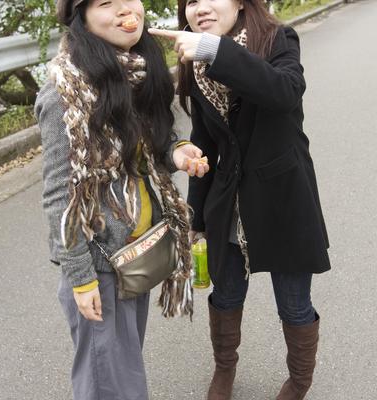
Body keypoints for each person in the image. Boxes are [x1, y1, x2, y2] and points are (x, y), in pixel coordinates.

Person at [149, 0, 331, 399]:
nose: (199, 8)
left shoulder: (277, 39)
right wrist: (195, 216)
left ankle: (299, 381)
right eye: (190, 1)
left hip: (284, 197)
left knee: (293, 304)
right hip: (227, 198)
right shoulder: (196, 64)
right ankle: (224, 370)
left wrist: (216, 51)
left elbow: (285, 92)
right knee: (226, 292)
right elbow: (204, 142)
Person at [35, 1, 209, 399]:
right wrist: (81, 279)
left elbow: (152, 143)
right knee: (109, 384)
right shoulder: (66, 92)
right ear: (81, 18)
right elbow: (60, 196)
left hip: (134, 252)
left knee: (121, 369)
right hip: (100, 265)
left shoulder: (132, 72)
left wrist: (177, 152)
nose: (124, 11)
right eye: (105, 3)